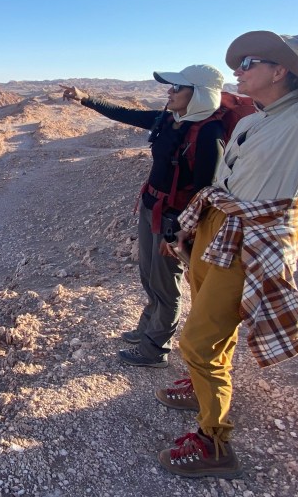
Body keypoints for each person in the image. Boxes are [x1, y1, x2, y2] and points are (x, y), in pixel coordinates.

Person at [156, 28, 298, 479]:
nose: (237, 72)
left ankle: (214, 443)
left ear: (280, 71)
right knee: (207, 314)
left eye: (248, 64)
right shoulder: (251, 122)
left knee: (197, 341)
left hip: (252, 237)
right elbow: (225, 184)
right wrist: (191, 227)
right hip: (219, 226)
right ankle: (203, 386)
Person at [62, 64, 226, 367]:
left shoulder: (208, 133)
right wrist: (85, 98)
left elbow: (204, 191)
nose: (170, 92)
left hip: (173, 220)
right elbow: (126, 114)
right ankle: (148, 329)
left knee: (166, 285)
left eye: (177, 87)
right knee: (149, 277)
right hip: (152, 208)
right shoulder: (170, 119)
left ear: (200, 94)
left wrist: (179, 232)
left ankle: (155, 349)